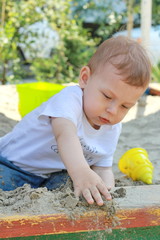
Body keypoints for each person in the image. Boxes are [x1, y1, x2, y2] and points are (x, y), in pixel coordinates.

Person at [0, 36, 151, 206]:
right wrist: (81, 171)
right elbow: (65, 134)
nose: (113, 111)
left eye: (125, 106)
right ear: (85, 78)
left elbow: (102, 167)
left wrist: (106, 189)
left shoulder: (113, 127)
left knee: (75, 186)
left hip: (50, 176)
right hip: (12, 165)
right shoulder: (70, 99)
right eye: (107, 96)